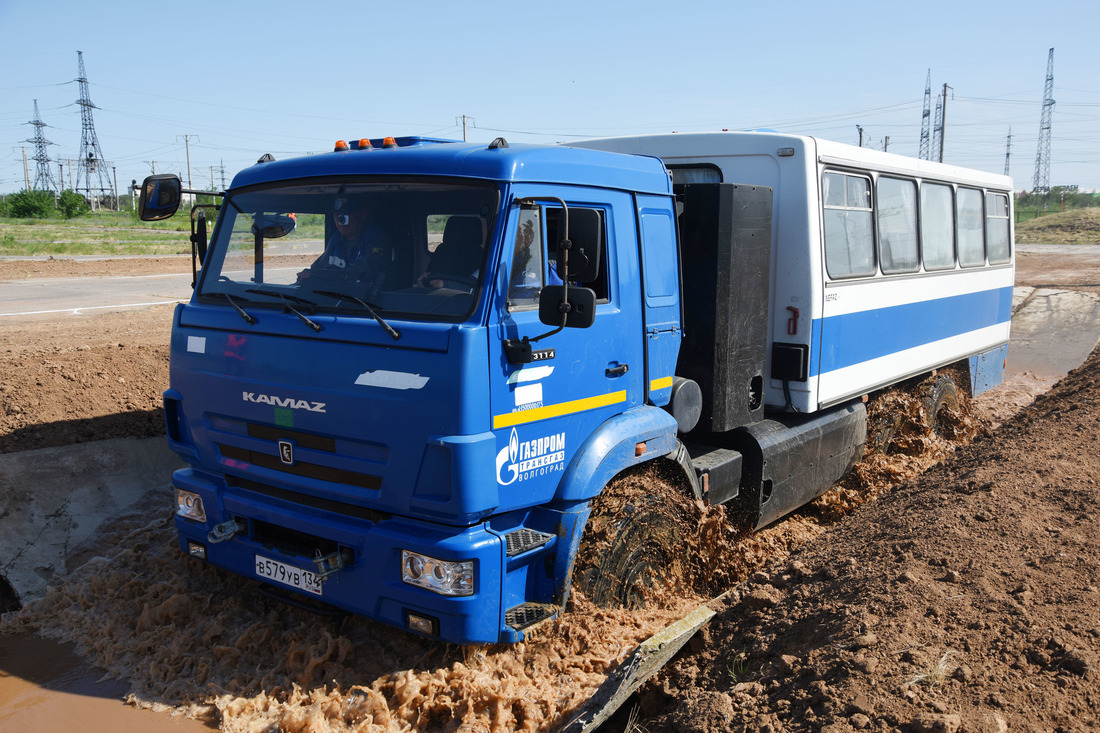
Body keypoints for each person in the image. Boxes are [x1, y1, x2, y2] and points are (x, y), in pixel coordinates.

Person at [297, 197, 392, 294]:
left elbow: (366, 272)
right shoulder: (336, 240)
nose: (341, 219)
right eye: (337, 214)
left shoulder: (377, 240)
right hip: (338, 300)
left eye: (347, 213)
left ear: (363, 214)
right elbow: (319, 268)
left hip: (366, 303)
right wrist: (307, 276)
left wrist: (318, 275)